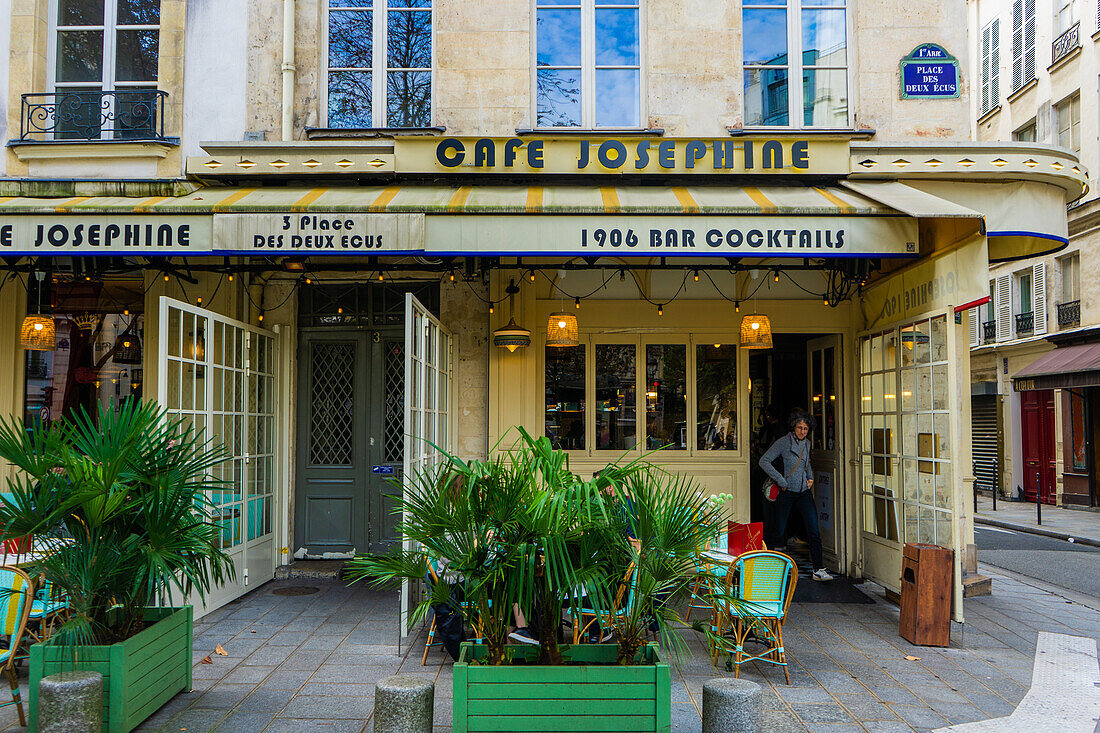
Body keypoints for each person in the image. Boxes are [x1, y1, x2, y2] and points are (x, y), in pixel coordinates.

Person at [758, 411, 836, 582]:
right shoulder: (783, 442)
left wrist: (811, 477)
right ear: (793, 427)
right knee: (778, 529)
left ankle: (818, 568)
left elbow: (806, 462)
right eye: (800, 428)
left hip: (803, 493)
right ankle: (766, 565)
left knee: (813, 529)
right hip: (786, 492)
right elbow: (764, 460)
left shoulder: (807, 444)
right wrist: (781, 480)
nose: (802, 431)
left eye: (806, 429)